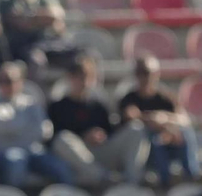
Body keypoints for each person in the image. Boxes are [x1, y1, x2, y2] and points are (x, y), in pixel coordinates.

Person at [47, 55, 150, 186]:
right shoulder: (57, 107)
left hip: (101, 153)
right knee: (62, 139)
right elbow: (53, 139)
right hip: (78, 159)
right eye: (80, 76)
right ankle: (101, 177)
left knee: (136, 128)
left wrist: (101, 135)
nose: (84, 81)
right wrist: (84, 137)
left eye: (88, 77)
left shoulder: (99, 105)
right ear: (70, 78)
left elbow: (112, 130)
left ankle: (132, 181)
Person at [0, 62, 74, 188]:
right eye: (2, 81)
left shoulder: (31, 102)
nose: (6, 85)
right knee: (16, 162)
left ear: (21, 81)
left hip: (32, 152)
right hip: (3, 155)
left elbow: (44, 131)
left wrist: (19, 127)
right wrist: (26, 125)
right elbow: (7, 126)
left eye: (10, 80)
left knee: (60, 167)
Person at [118, 56, 199, 184]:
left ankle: (192, 175)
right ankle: (165, 181)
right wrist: (153, 121)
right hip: (145, 153)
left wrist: (165, 120)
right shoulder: (128, 99)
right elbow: (131, 117)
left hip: (170, 145)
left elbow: (185, 120)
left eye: (147, 72)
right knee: (156, 139)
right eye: (139, 73)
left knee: (184, 133)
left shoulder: (166, 98)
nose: (144, 77)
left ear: (156, 74)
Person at [0, 0, 77, 71]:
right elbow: (21, 23)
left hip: (50, 43)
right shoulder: (7, 3)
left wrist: (30, 17)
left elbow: (57, 16)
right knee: (36, 61)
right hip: (26, 47)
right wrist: (42, 18)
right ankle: (34, 88)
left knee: (81, 58)